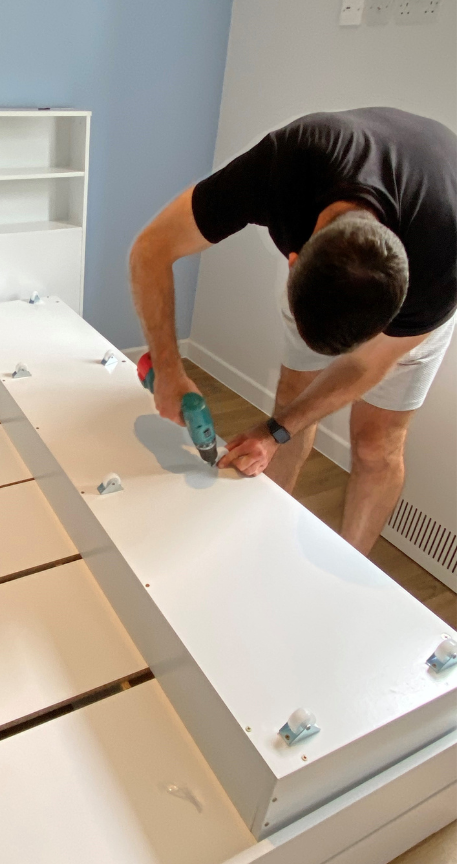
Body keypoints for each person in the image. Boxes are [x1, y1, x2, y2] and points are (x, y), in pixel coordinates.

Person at [129, 107, 456, 553]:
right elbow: (151, 248)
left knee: (376, 446)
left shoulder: (441, 266)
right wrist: (167, 367)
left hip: (427, 263)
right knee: (293, 399)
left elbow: (367, 365)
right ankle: (267, 537)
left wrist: (273, 432)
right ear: (294, 260)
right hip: (353, 226)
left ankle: (349, 563)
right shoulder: (286, 164)